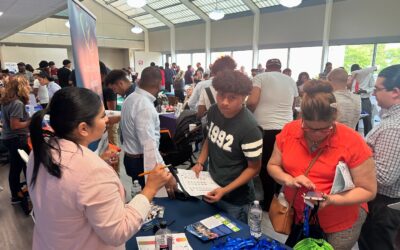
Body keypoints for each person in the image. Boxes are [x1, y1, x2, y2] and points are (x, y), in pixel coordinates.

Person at [27, 87, 172, 250]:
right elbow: (118, 232)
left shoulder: (41, 149)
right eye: (102, 116)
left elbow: (67, 183)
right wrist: (150, 189)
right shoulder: (92, 171)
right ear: (83, 128)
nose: (107, 120)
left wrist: (96, 161)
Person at [267, 79, 376, 249]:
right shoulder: (290, 130)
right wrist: (289, 180)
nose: (316, 134)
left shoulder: (352, 141)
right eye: (309, 128)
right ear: (301, 117)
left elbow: (368, 190)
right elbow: (273, 165)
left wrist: (331, 199)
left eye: (325, 129)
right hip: (301, 216)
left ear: (334, 118)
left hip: (339, 222)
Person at [192, 70, 262, 223]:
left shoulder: (250, 128)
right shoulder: (213, 111)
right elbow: (209, 140)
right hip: (212, 185)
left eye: (232, 98)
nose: (224, 102)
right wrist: (200, 162)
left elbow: (254, 168)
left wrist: (224, 190)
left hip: (236, 198)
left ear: (244, 97)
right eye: (221, 95)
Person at [247, 58, 298, 211]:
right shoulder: (290, 80)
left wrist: (248, 116)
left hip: (265, 127)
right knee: (280, 164)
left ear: (267, 68)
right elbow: (293, 105)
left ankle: (268, 202)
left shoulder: (260, 77)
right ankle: (277, 195)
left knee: (267, 166)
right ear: (280, 68)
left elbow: (252, 102)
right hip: (286, 128)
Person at [358, 64, 400, 250]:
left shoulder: (393, 127)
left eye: (377, 89)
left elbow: (385, 176)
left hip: (383, 204)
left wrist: (355, 163)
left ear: (395, 92)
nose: (373, 93)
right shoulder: (389, 121)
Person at [120, 66, 173, 194]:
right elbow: (149, 145)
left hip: (131, 157)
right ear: (159, 84)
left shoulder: (131, 98)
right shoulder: (144, 106)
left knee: (142, 195)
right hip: (141, 161)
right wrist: (166, 174)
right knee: (148, 198)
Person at [0, 75, 31, 204]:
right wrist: (30, 121)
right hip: (16, 138)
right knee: (18, 166)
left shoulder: (7, 101)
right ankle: (16, 195)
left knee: (18, 166)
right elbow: (15, 125)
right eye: (27, 85)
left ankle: (19, 192)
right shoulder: (17, 103)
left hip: (9, 138)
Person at [350, 64, 377, 136]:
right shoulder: (352, 76)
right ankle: (353, 140)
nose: (355, 74)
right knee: (354, 121)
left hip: (364, 100)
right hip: (354, 100)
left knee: (367, 121)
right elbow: (351, 88)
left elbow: (373, 87)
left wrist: (365, 91)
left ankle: (368, 141)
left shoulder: (369, 75)